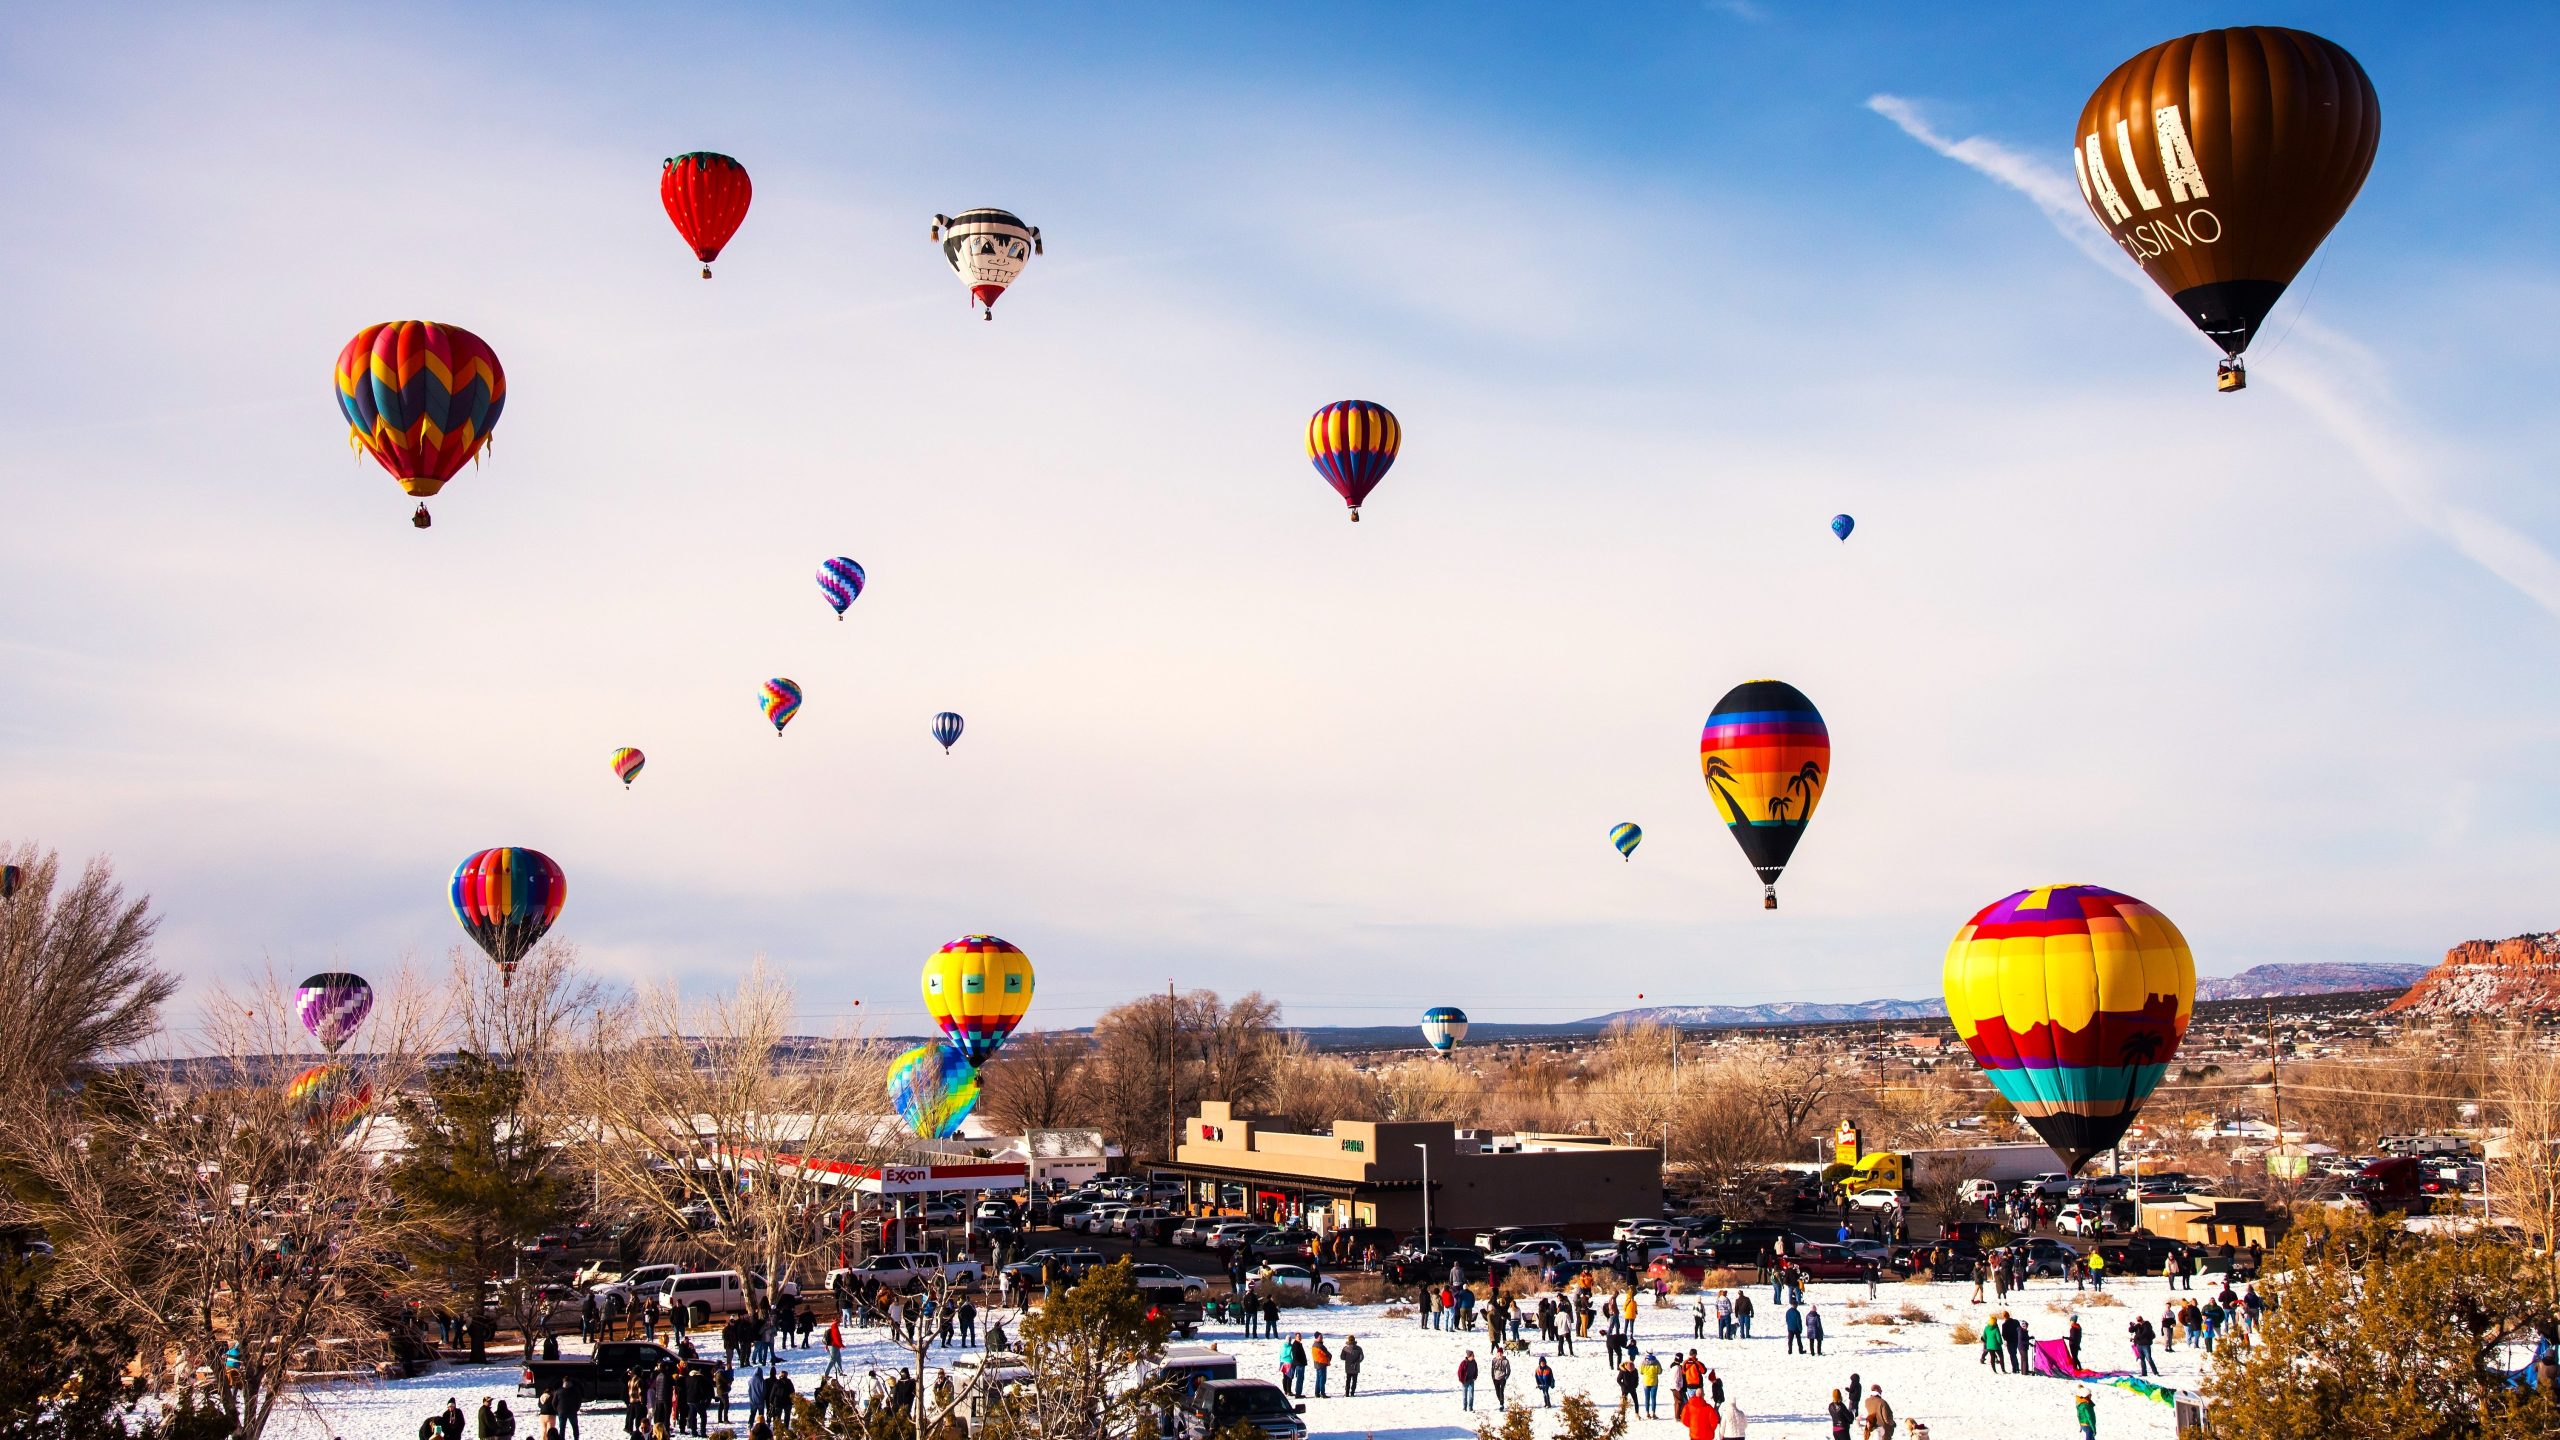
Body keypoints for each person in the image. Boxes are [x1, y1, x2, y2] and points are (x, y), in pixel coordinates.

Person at [1639, 1352, 1661, 1417]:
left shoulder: (1644, 1363)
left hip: (1646, 1382)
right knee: (1653, 1398)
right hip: (1654, 1382)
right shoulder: (1656, 1363)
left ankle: (1647, 1413)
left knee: (1647, 1398)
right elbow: (1660, 1371)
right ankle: (1653, 1413)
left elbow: (1640, 1371)